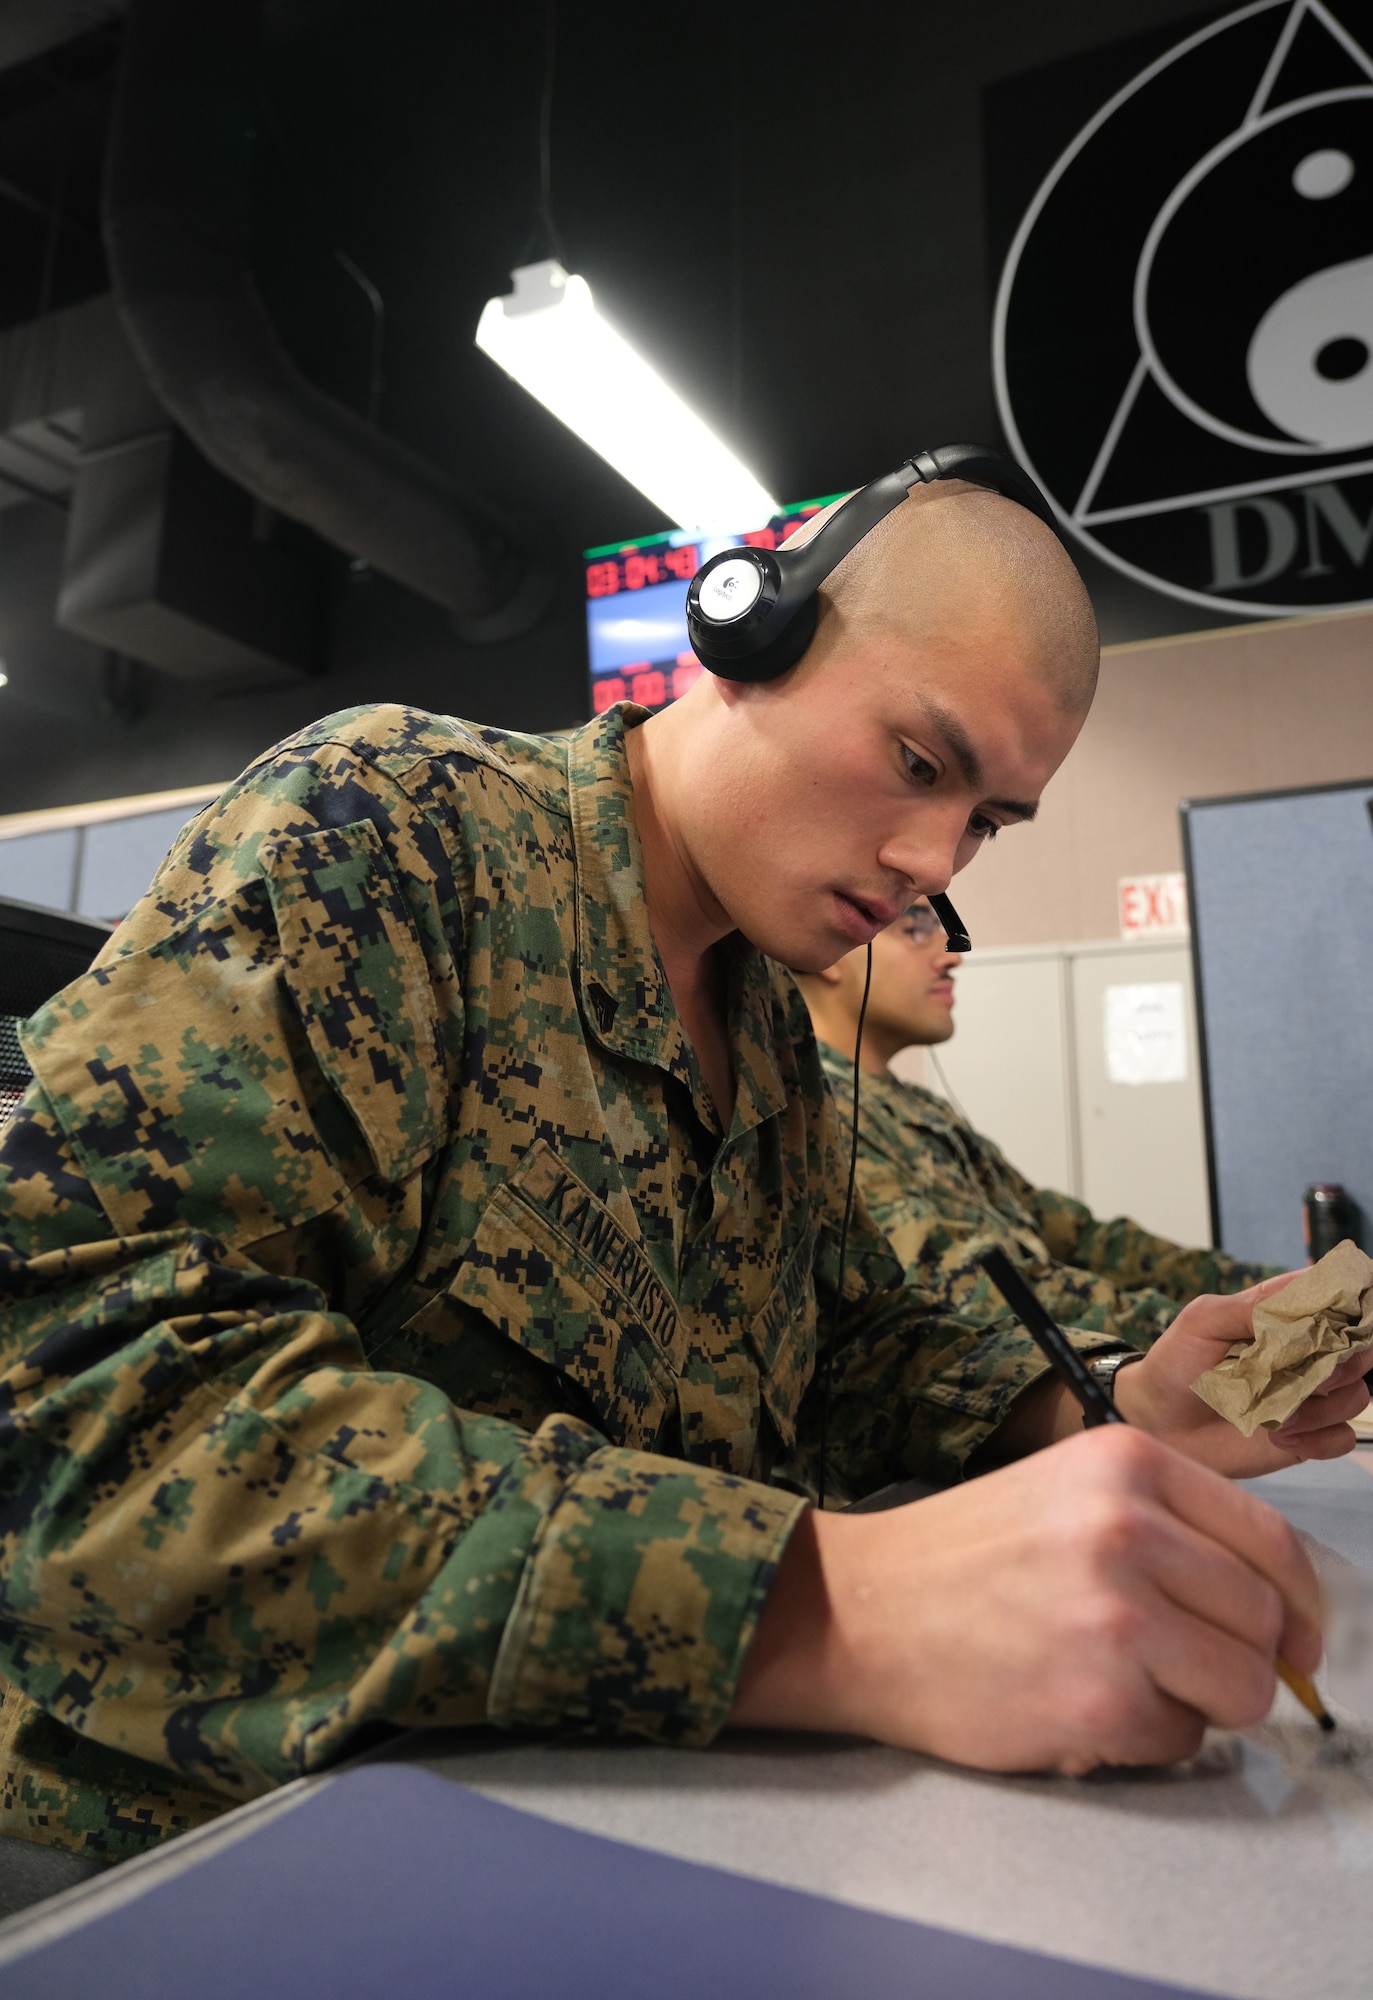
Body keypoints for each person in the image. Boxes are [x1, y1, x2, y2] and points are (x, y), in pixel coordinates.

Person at [0, 479, 1365, 1868]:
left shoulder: (765, 1024)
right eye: (915, 762)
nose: (929, 863)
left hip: (589, 1806)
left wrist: (1114, 1398)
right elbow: (91, 1419)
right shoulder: (390, 834)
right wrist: (836, 1606)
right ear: (749, 636)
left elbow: (846, 1350)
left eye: (986, 823)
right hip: (217, 1847)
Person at [795, 903, 1279, 1356]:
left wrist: (1260, 1290)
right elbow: (984, 1291)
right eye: (917, 928)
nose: (952, 956)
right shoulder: (821, 1113)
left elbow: (1083, 1238)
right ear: (834, 952)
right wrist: (1221, 1328)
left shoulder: (916, 1107)